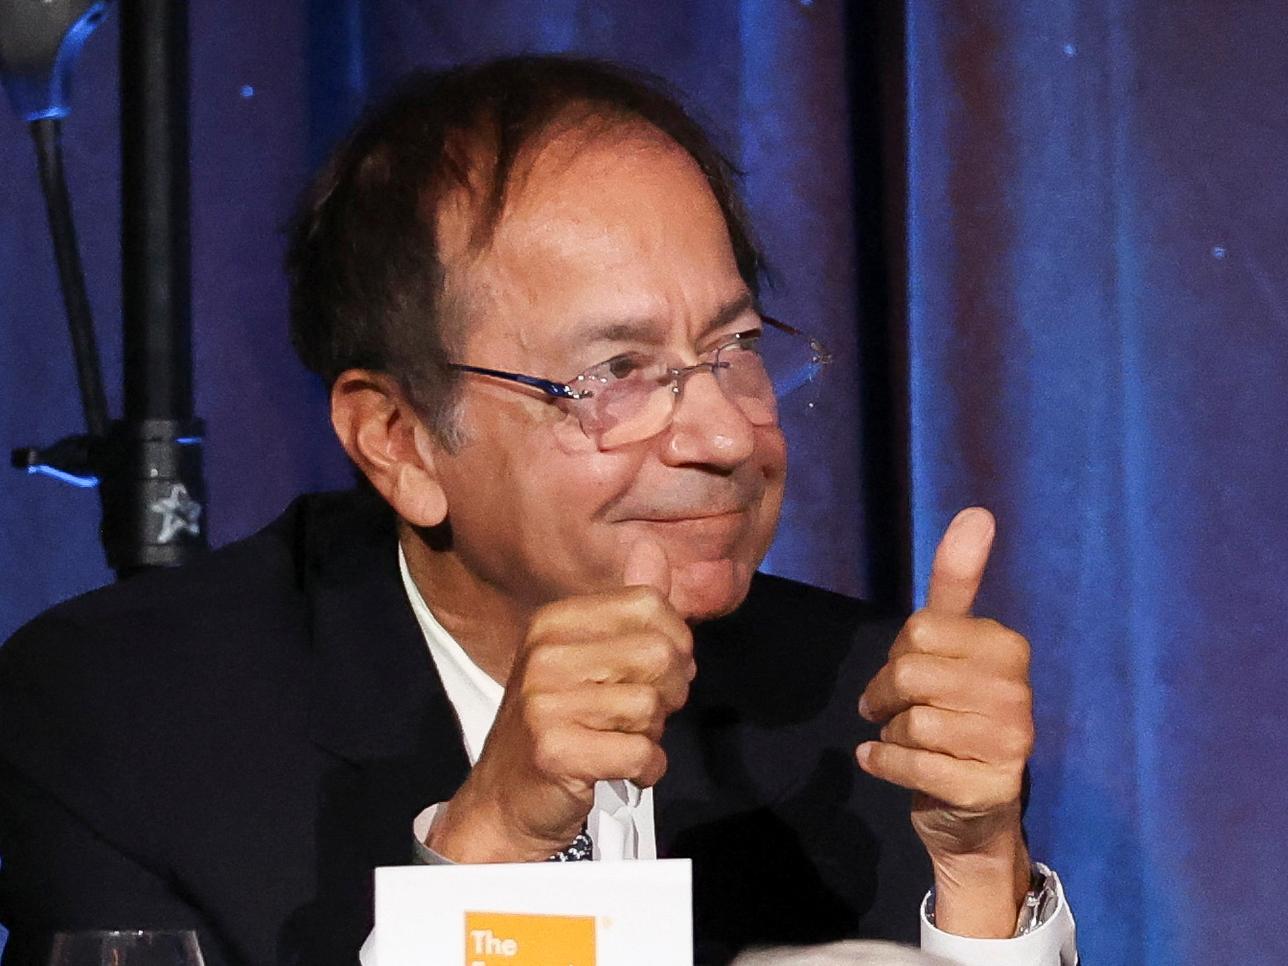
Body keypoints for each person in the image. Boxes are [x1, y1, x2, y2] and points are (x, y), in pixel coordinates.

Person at [0, 56, 1076, 965]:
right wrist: (495, 848)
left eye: (733, 350)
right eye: (614, 372)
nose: (724, 437)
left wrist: (981, 880)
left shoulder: (875, 705)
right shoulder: (128, 722)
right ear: (401, 442)